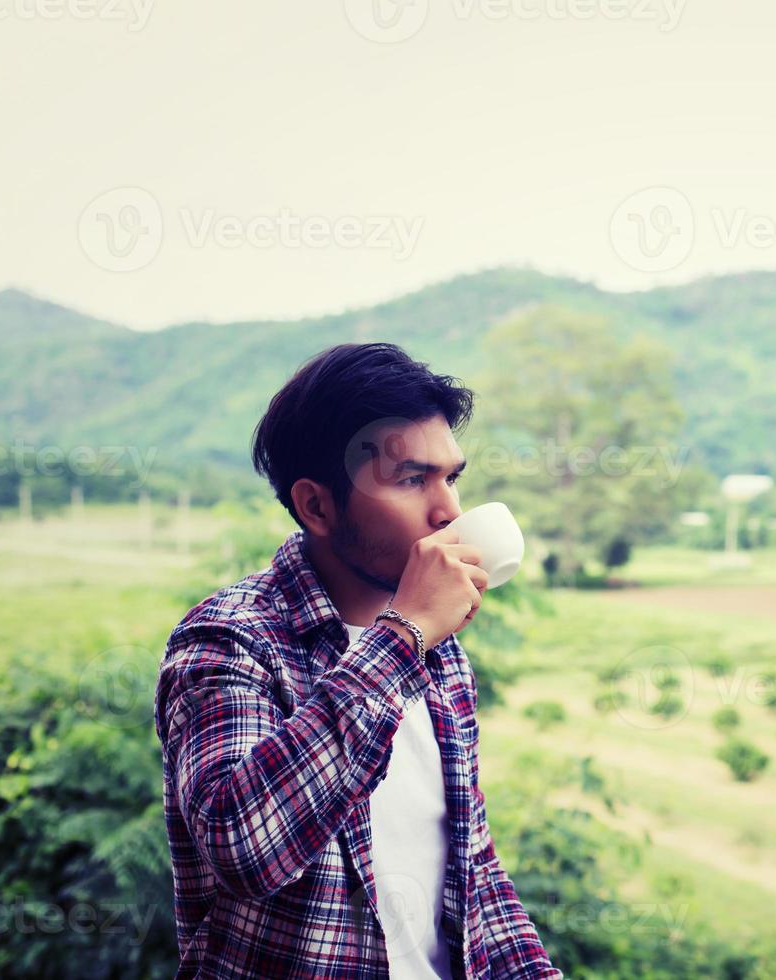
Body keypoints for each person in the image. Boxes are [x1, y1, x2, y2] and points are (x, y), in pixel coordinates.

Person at [153, 342, 561, 979]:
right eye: (410, 480)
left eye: (450, 476)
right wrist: (403, 635)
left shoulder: (441, 653)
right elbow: (244, 848)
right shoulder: (228, 642)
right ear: (317, 505)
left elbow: (473, 870)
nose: (448, 510)